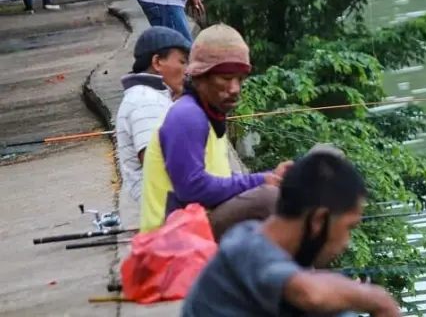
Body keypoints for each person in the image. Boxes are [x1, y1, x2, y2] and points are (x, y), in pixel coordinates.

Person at [181, 150, 403, 317]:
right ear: (318, 220)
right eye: (348, 228)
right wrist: (377, 298)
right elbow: (309, 293)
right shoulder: (247, 246)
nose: (346, 243)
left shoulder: (260, 248)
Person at [140, 23, 290, 240]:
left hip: (193, 226)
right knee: (268, 199)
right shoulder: (187, 116)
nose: (235, 89)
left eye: (240, 79)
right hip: (171, 240)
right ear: (200, 77)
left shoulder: (209, 115)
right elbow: (192, 189)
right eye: (226, 79)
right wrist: (260, 181)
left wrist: (272, 176)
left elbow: (219, 179)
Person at [115, 26, 192, 206]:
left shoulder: (152, 95)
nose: (187, 70)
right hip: (158, 212)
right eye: (182, 62)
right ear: (157, 62)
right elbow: (155, 163)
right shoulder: (145, 101)